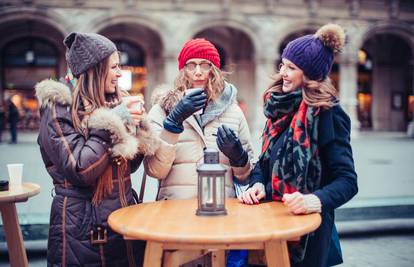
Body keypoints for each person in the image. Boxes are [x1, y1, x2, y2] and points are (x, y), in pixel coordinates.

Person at [237, 24, 358, 266]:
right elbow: (264, 162)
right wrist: (258, 183)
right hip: (270, 226)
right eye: (282, 64)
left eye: (291, 67)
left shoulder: (328, 114)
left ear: (310, 75)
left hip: (308, 235)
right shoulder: (278, 109)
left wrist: (312, 199)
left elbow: (347, 181)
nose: (283, 72)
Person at [36, 32, 159, 266]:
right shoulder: (58, 108)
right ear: (95, 70)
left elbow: (126, 167)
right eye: (114, 67)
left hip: (121, 220)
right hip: (81, 228)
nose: (120, 73)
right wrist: (113, 122)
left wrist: (138, 130)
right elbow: (81, 169)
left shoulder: (113, 101)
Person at [144, 38, 254, 265]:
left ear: (214, 69)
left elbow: (247, 175)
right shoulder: (160, 110)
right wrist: (172, 125)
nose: (197, 72)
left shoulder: (233, 111)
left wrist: (238, 157)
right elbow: (155, 170)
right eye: (190, 64)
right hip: (175, 219)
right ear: (182, 69)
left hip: (222, 219)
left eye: (205, 64)